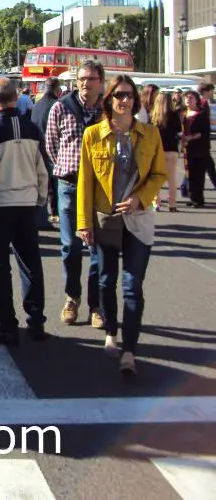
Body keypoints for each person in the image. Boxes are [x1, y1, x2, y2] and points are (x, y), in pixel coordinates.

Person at [76, 74, 166, 376]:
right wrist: (83, 223)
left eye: (128, 95)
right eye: (118, 95)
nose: (124, 100)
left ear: (135, 100)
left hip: (138, 220)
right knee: (105, 280)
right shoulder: (92, 135)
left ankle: (130, 350)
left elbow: (158, 174)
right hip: (106, 219)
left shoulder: (150, 134)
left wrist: (141, 198)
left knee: (132, 286)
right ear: (109, 100)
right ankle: (111, 332)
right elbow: (85, 182)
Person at [0, 77, 49, 345]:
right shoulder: (32, 128)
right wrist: (39, 201)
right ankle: (36, 321)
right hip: (27, 204)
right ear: (17, 97)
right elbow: (43, 171)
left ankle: (6, 325)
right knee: (30, 264)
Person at [45, 59, 104, 328]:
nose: (84, 83)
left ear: (100, 82)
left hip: (101, 189)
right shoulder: (62, 107)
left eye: (90, 78)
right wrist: (68, 167)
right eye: (81, 78)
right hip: (69, 185)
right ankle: (72, 297)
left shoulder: (107, 110)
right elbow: (51, 145)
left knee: (97, 249)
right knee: (70, 247)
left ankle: (96, 304)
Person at [31, 77, 62, 223]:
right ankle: (56, 213)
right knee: (55, 186)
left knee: (41, 185)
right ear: (57, 89)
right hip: (53, 152)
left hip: (37, 151)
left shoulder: (36, 105)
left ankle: (41, 218)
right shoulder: (57, 105)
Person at [151, 91, 182, 211]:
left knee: (156, 177)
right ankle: (172, 204)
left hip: (157, 149)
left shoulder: (153, 115)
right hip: (172, 149)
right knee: (172, 178)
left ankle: (156, 203)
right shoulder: (174, 114)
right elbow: (179, 131)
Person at [182, 90, 209, 207]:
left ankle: (199, 200)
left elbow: (204, 132)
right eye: (186, 97)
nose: (188, 99)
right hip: (187, 149)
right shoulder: (182, 114)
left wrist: (190, 137)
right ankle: (193, 197)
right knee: (190, 174)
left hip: (199, 149)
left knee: (199, 174)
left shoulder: (201, 114)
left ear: (197, 100)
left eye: (191, 97)